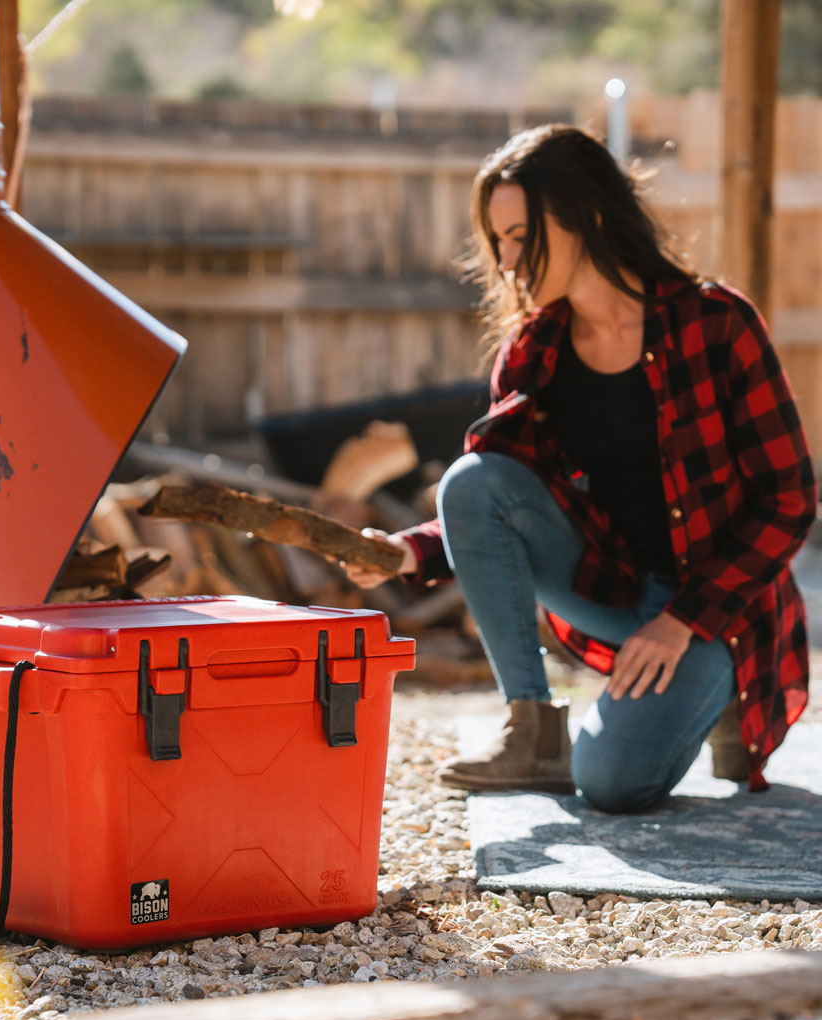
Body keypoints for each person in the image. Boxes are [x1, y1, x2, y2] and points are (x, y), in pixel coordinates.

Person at [346, 124, 817, 813]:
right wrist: (406, 553)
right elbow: (495, 506)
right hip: (614, 589)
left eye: (520, 235)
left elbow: (791, 500)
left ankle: (712, 695)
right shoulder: (533, 352)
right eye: (497, 240)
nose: (507, 261)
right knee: (473, 477)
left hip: (715, 612)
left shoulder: (717, 324)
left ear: (586, 215)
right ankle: (532, 727)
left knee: (610, 781)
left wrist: (682, 621)